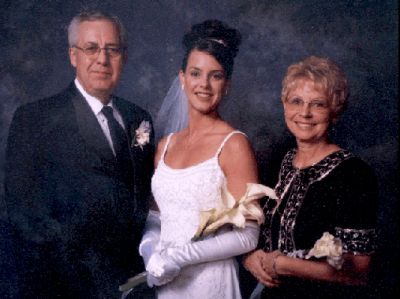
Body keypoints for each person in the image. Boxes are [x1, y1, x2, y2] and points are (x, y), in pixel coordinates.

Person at [4, 11, 154, 298]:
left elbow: (143, 199)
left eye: (112, 49)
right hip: (67, 284)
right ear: (73, 55)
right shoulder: (35, 119)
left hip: (134, 285)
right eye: (91, 48)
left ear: (123, 56)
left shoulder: (138, 118)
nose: (102, 59)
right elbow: (27, 216)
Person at [138, 20, 260, 299]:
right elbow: (157, 216)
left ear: (226, 84)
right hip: (168, 283)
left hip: (211, 283)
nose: (204, 84)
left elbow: (247, 235)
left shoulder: (234, 145)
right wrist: (149, 249)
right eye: (196, 73)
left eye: (215, 76)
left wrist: (181, 256)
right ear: (182, 79)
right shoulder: (164, 146)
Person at [243, 56, 379, 299]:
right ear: (285, 105)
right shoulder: (278, 161)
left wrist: (284, 265)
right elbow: (254, 232)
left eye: (317, 104)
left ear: (335, 111)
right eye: (296, 101)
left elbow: (359, 272)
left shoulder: (354, 174)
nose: (304, 113)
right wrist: (249, 257)